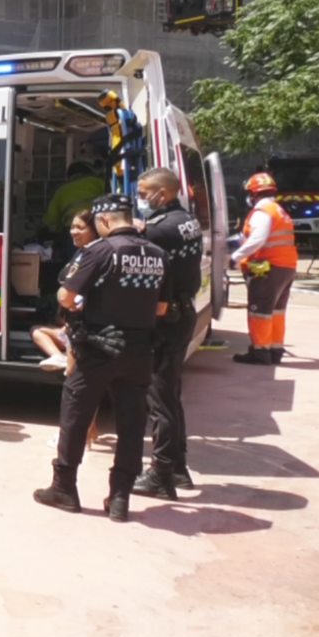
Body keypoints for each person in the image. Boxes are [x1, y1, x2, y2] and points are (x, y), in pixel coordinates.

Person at [33, 193, 168, 523]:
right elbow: (162, 308)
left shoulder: (100, 250)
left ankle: (64, 488)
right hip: (139, 350)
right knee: (132, 425)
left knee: (76, 417)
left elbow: (65, 296)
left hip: (97, 347)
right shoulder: (158, 254)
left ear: (105, 220)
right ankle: (120, 498)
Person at [133, 168, 204, 499]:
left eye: (144, 192)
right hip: (183, 311)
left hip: (167, 320)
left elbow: (131, 246)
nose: (141, 198)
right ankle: (178, 468)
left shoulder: (159, 230)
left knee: (159, 399)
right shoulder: (185, 220)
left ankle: (160, 475)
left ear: (163, 194)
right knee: (170, 395)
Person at [231, 172, 299, 365]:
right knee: (276, 311)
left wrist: (236, 256)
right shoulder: (279, 211)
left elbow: (257, 240)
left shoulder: (262, 212)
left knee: (259, 310)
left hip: (268, 268)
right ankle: (275, 349)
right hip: (286, 266)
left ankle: (260, 352)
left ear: (254, 194)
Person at [31, 209, 99, 371]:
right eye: (72, 227)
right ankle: (58, 357)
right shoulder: (80, 253)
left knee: (74, 382)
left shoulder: (95, 255)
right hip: (70, 325)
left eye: (80, 228)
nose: (73, 232)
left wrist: (70, 324)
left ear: (95, 230)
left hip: (80, 329)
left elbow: (81, 296)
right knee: (37, 330)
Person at [43, 161, 106, 234]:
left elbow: (51, 220)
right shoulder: (99, 182)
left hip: (71, 228)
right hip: (96, 223)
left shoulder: (61, 190)